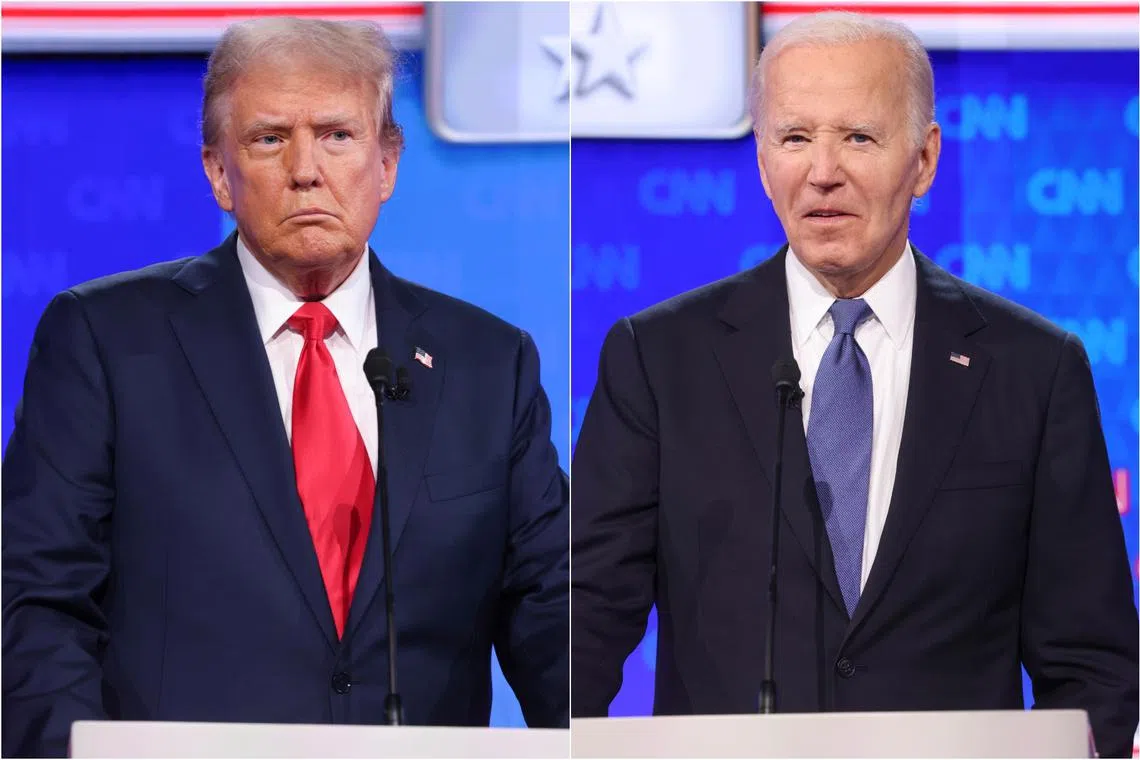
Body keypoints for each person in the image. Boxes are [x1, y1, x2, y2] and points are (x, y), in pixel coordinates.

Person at [570, 11, 1138, 757]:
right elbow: (585, 620)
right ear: (763, 158)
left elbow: (1091, 659)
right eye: (795, 138)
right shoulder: (657, 357)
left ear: (925, 159)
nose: (823, 172)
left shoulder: (1033, 369)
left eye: (858, 137)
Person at [3, 17, 568, 757]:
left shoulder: (490, 362)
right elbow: (36, 604)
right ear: (217, 172)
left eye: (338, 135)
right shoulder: (106, 340)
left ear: (389, 164)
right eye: (270, 138)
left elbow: (552, 613)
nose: (307, 168)